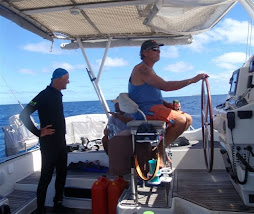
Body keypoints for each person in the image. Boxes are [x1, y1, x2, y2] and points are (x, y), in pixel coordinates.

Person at [128, 40, 208, 166]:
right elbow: (165, 86)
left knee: (188, 119)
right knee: (180, 120)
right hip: (145, 111)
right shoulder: (142, 69)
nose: (158, 51)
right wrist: (192, 80)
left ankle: (160, 149)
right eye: (155, 49)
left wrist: (168, 105)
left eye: (159, 49)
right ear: (145, 52)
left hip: (154, 107)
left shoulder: (149, 70)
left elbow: (151, 97)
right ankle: (159, 153)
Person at [19, 68, 70, 214]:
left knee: (62, 173)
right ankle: (40, 209)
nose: (68, 81)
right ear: (58, 79)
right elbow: (24, 114)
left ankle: (58, 205)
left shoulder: (57, 95)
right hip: (49, 144)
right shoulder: (44, 95)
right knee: (46, 176)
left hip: (60, 142)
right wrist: (38, 132)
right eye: (67, 78)